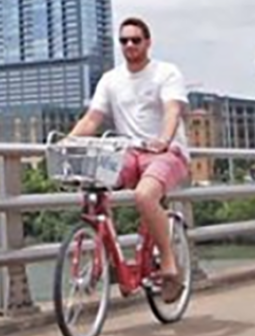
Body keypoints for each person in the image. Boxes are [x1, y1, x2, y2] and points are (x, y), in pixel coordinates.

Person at [66, 16, 190, 302]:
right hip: (129, 152)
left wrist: (164, 139)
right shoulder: (111, 80)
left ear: (148, 42)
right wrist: (68, 141)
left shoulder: (166, 72)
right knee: (93, 184)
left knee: (145, 197)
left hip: (166, 152)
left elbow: (172, 110)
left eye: (136, 39)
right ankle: (110, 256)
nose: (130, 45)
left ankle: (170, 266)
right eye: (124, 40)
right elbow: (93, 118)